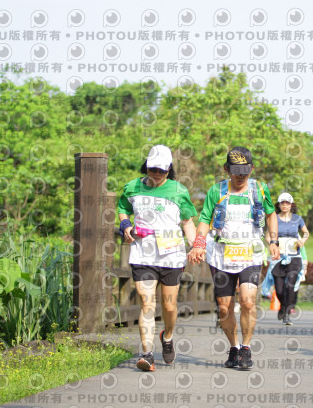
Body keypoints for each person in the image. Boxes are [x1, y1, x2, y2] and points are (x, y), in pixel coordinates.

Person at [188, 146, 280, 370]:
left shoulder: (260, 189)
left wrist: (274, 241)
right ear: (226, 169)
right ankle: (234, 347)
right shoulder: (216, 191)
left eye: (245, 171)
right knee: (223, 307)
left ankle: (246, 349)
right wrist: (199, 244)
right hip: (221, 254)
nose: (240, 176)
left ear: (252, 169)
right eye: (236, 171)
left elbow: (271, 215)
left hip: (250, 252)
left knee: (248, 301)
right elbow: (204, 219)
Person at [117, 145, 197, 371]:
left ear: (169, 169)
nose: (156, 174)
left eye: (161, 170)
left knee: (170, 306)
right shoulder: (132, 187)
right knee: (147, 302)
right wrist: (125, 224)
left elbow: (188, 222)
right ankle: (147, 354)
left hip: (171, 254)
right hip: (143, 253)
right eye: (153, 169)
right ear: (146, 166)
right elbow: (123, 207)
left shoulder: (178, 190)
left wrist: (196, 245)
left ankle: (168, 336)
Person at [266, 193, 309, 325]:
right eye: (282, 202)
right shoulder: (274, 219)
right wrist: (272, 244)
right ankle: (283, 306)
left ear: (291, 205)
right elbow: (267, 236)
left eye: (287, 203)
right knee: (279, 289)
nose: (285, 205)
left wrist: (303, 240)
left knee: (290, 285)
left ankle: (287, 314)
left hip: (294, 258)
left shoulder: (297, 219)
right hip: (278, 258)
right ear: (279, 205)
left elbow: (306, 233)